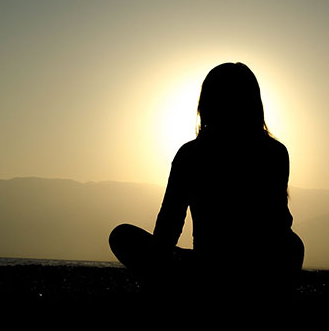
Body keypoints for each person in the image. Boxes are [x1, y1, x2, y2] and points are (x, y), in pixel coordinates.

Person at [109, 62, 304, 302]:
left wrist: (158, 269)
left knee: (122, 236)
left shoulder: (191, 154)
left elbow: (168, 225)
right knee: (293, 245)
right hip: (253, 269)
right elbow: (279, 223)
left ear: (206, 104)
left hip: (212, 268)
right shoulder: (274, 152)